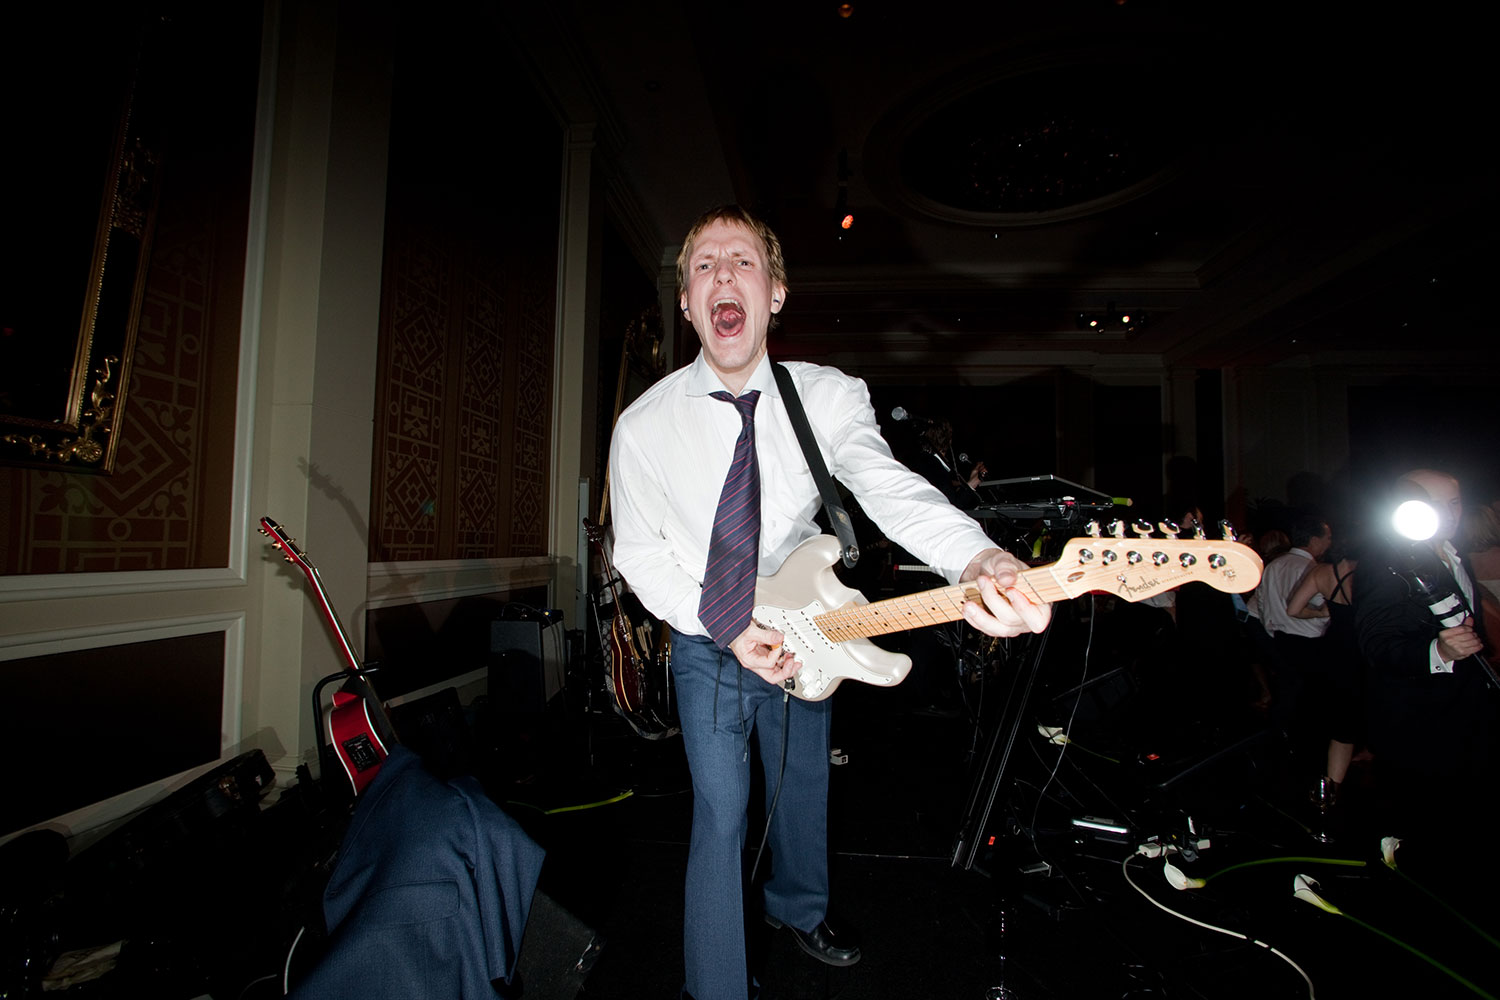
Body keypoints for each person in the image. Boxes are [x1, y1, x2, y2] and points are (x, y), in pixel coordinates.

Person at [607, 205, 1052, 1000]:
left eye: (742, 261)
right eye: (704, 265)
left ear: (774, 292)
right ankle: (716, 987)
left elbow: (889, 490)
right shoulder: (642, 428)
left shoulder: (829, 396)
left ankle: (799, 908)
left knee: (802, 783)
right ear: (687, 302)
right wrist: (727, 623)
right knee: (721, 810)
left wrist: (976, 555)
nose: (723, 277)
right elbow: (637, 553)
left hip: (806, 621)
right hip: (706, 630)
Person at [1354, 469, 1497, 851]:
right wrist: (1438, 651)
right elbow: (1376, 643)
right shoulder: (1387, 562)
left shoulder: (1452, 553)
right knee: (1424, 830)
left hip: (1462, 708)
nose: (1448, 513)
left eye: (1454, 502)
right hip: (1418, 721)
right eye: (1434, 504)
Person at [1285, 534, 1366, 798]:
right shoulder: (1370, 573)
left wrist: (1322, 612)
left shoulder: (1322, 572)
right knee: (1354, 719)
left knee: (1338, 719)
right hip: (1363, 649)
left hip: (1332, 648)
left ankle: (1329, 788)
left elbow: (1294, 609)